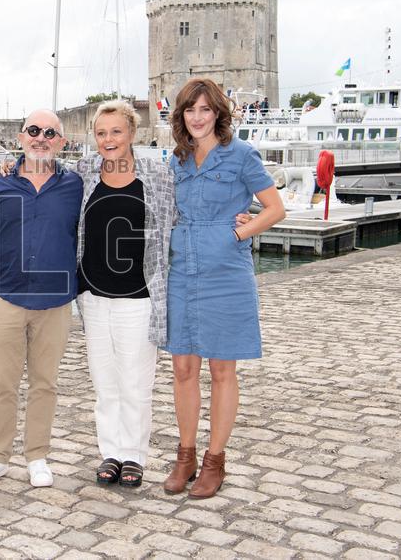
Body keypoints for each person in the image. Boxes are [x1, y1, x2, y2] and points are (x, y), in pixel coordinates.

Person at [162, 78, 285, 499]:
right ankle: (185, 455)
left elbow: (275, 208)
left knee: (222, 370)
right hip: (183, 271)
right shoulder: (176, 160)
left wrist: (240, 233)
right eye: (190, 111)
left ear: (218, 113)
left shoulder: (242, 155)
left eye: (205, 110)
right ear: (181, 117)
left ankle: (215, 460)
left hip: (226, 274)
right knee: (182, 369)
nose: (197, 118)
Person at [0, 109, 83, 489]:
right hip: (7, 297)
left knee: (45, 383)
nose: (41, 137)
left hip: (56, 301)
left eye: (50, 132)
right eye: (33, 130)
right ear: (20, 137)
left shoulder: (75, 184)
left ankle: (38, 456)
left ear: (61, 142)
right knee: (2, 383)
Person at [73, 100, 175, 488]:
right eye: (101, 133)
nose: (108, 140)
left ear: (132, 133)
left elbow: (179, 220)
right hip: (93, 295)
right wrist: (9, 167)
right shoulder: (84, 172)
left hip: (140, 294)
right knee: (104, 380)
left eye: (116, 131)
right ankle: (110, 452)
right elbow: (41, 176)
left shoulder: (157, 175)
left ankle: (134, 455)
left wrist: (239, 217)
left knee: (135, 381)